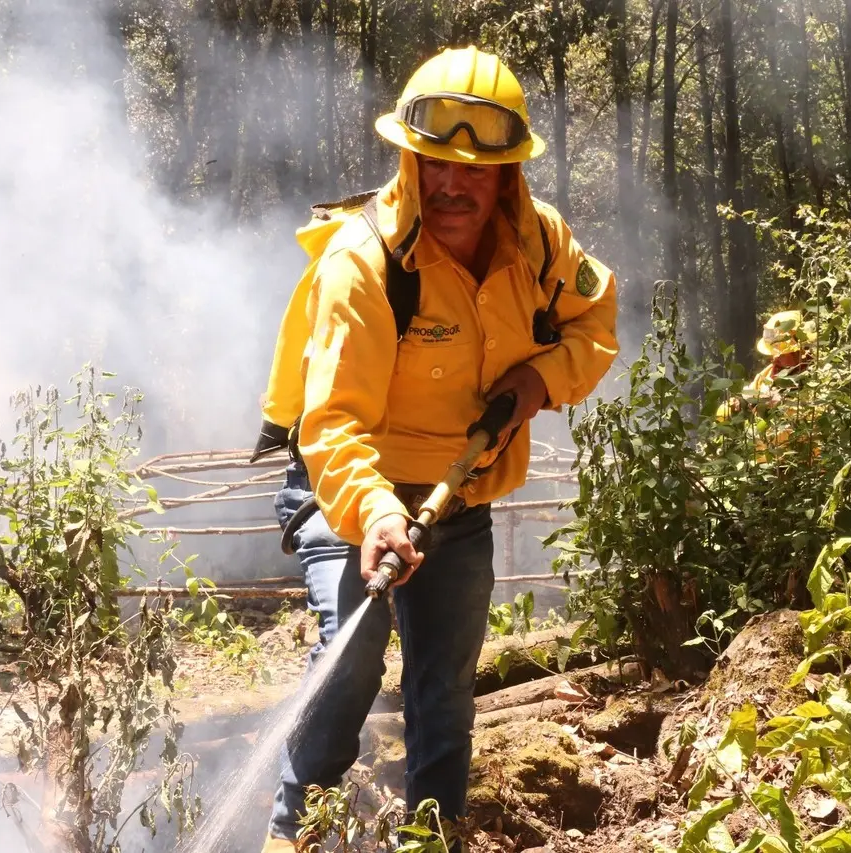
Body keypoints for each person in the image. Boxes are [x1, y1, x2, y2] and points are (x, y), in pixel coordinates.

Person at [259, 46, 619, 852]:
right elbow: (331, 424)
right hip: (347, 488)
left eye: (475, 170)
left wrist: (535, 383)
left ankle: (433, 835)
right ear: (408, 159)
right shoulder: (364, 265)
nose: (453, 185)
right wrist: (378, 512)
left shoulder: (542, 246)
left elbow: (597, 325)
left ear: (507, 177)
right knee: (349, 665)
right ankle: (292, 835)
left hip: (459, 497)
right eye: (434, 164)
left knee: (444, 686)